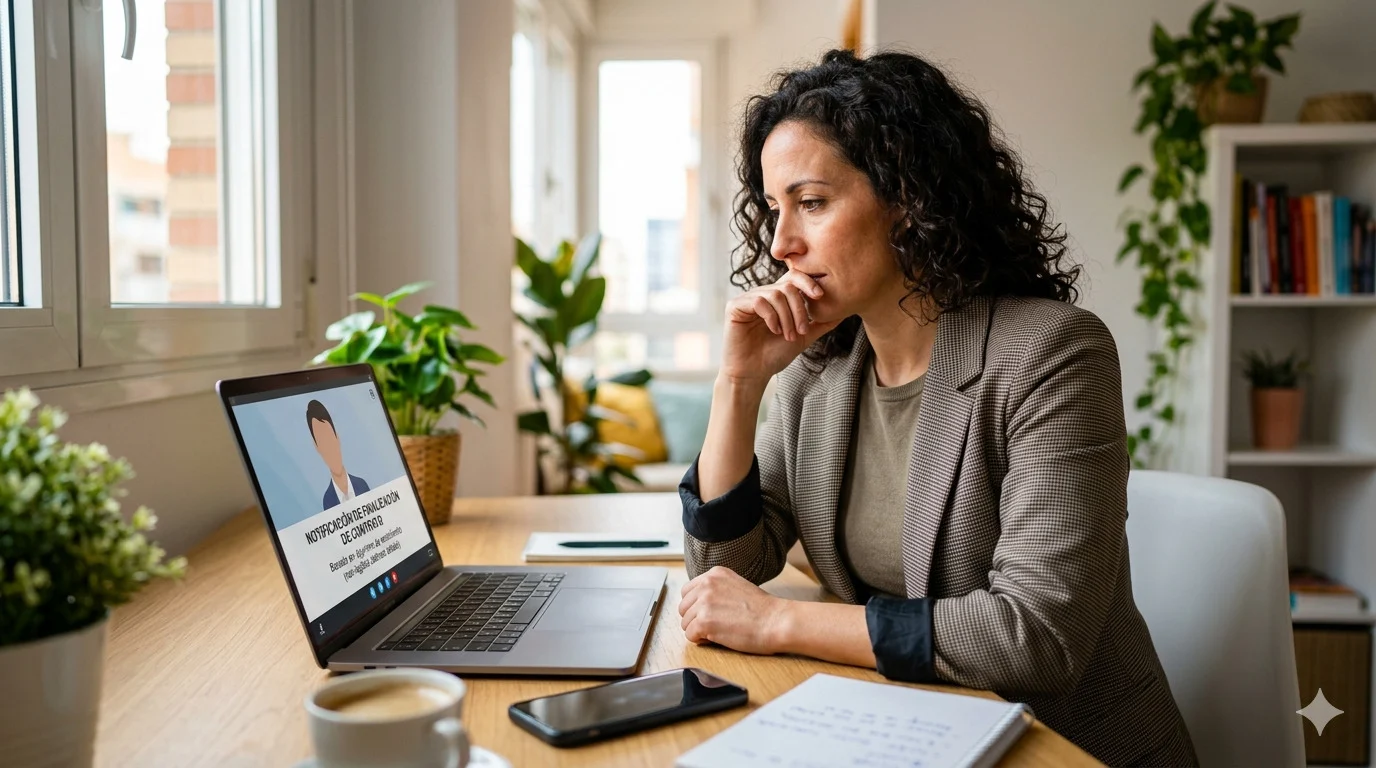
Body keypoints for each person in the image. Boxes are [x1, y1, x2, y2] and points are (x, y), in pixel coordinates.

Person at [676, 49, 1197, 766]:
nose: (781, 243)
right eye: (773, 209)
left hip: (1059, 748)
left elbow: (1036, 635)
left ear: (909, 197)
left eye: (812, 203)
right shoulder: (818, 373)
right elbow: (723, 566)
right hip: (905, 731)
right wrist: (738, 385)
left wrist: (779, 624)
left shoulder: (1052, 353)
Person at [307, 399, 370, 510]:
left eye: (330, 437)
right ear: (317, 447)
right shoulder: (327, 500)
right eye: (322, 441)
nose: (329, 448)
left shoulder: (362, 485)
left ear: (337, 437)